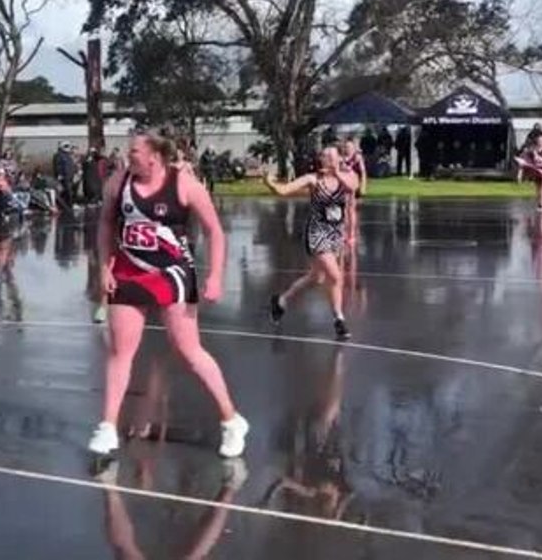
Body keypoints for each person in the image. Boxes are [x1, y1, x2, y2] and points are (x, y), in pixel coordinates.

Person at [88, 130, 247, 459]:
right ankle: (107, 426)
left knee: (189, 351)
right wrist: (104, 267)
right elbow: (105, 224)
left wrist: (216, 276)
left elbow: (214, 231)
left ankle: (231, 420)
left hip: (173, 274)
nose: (127, 155)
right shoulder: (119, 183)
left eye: (134, 151)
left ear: (154, 156)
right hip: (129, 272)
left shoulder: (185, 185)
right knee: (120, 352)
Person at [264, 147, 358, 340]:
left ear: (339, 158)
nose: (330, 159)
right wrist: (269, 182)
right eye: (326, 156)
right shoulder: (313, 179)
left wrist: (337, 172)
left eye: (333, 156)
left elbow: (352, 188)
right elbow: (284, 190)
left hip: (335, 233)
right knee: (335, 275)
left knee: (316, 278)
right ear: (321, 160)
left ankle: (281, 300)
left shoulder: (348, 176)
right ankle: (339, 319)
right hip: (317, 232)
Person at [339, 139, 366, 246]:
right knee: (342, 211)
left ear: (354, 148)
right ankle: (343, 233)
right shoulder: (341, 159)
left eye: (350, 147)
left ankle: (352, 235)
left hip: (352, 184)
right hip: (342, 185)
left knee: (351, 210)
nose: (348, 149)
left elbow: (363, 172)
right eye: (346, 147)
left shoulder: (357, 158)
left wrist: (363, 186)